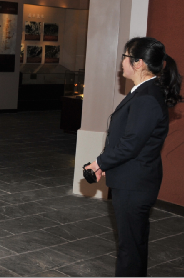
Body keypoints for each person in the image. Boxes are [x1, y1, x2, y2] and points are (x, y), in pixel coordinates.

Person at [85, 37, 182, 277]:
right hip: (132, 178)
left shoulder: (147, 97)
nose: (122, 63)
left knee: (130, 248)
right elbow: (126, 138)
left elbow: (130, 145)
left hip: (134, 183)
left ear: (138, 63)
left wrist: (100, 163)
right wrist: (106, 164)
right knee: (132, 244)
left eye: (125, 57)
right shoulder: (143, 92)